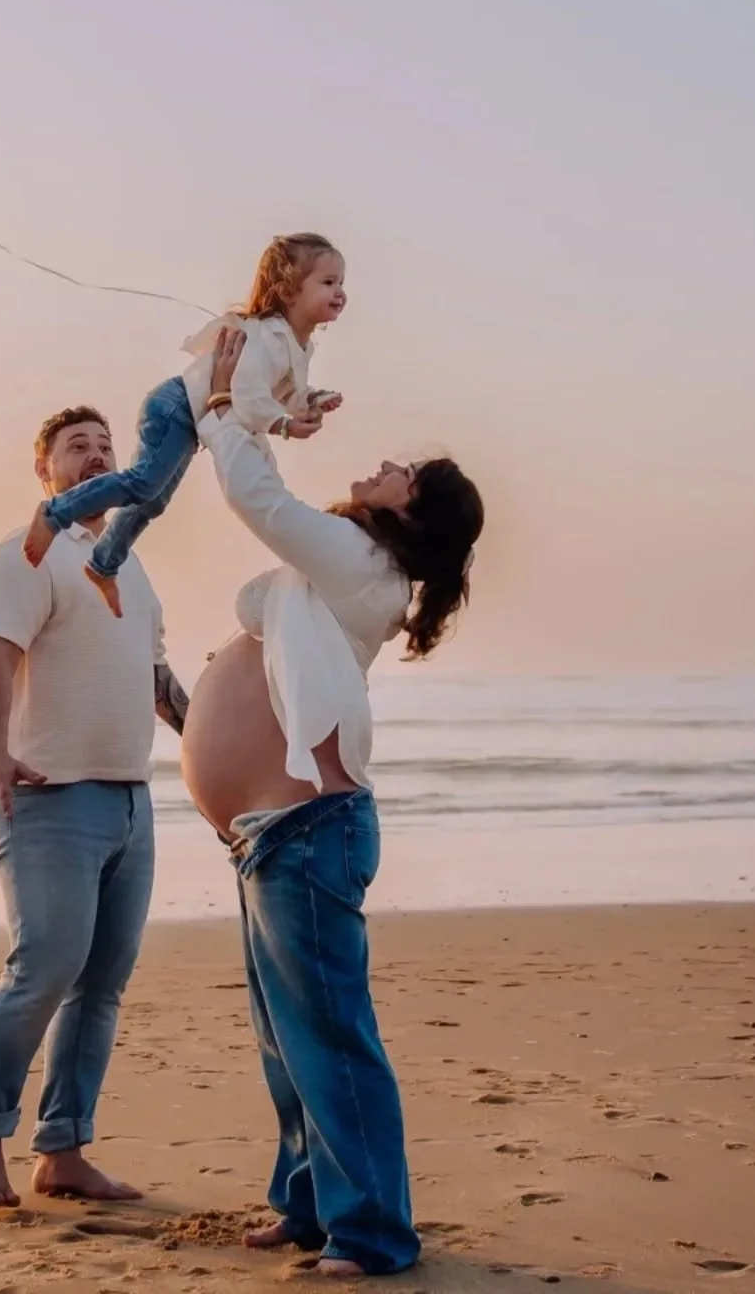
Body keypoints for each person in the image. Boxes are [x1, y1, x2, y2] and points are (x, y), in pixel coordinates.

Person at [180, 328, 484, 1278]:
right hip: (273, 834)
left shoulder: (360, 563)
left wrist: (224, 407)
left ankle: (373, 1232)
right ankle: (311, 1206)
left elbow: (258, 500)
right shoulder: (346, 562)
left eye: (404, 474)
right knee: (287, 1040)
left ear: (410, 510)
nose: (386, 465)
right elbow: (275, 554)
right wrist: (274, 416)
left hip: (306, 830)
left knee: (330, 1042)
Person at [0, 404, 188, 1208]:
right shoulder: (28, 553)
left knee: (102, 984)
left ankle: (63, 1150)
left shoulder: (128, 565)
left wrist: (213, 745)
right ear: (44, 470)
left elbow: (156, 680)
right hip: (46, 797)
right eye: (75, 447)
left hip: (130, 800)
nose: (95, 456)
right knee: (44, 970)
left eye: (105, 446)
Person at [23, 233, 347, 614]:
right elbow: (247, 394)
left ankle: (103, 563)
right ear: (289, 291)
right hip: (175, 406)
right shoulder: (266, 335)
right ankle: (55, 513)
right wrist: (283, 426)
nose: (339, 292)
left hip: (192, 422)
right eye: (328, 282)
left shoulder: (298, 345)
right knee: (144, 482)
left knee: (153, 500)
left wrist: (311, 400)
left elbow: (285, 392)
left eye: (341, 283)